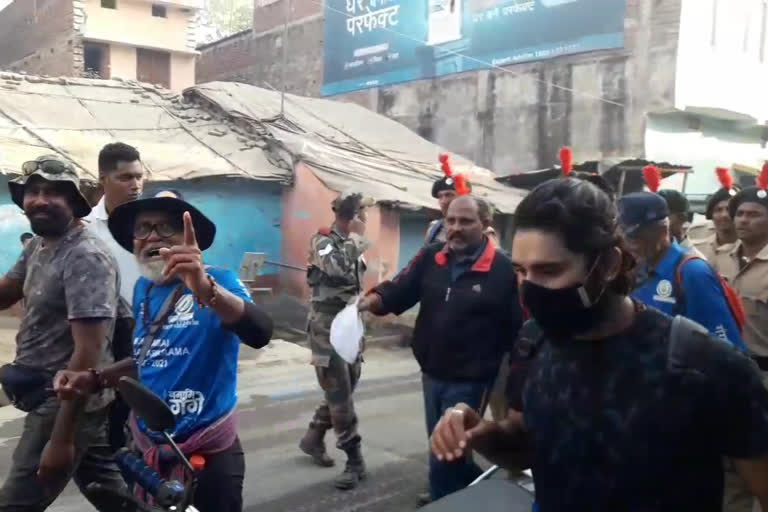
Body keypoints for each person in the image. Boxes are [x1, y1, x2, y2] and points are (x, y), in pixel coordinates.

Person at [430, 177, 768, 512]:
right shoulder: (534, 342)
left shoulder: (704, 364)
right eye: (521, 271)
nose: (529, 288)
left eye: (549, 270)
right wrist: (481, 432)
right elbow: (528, 444)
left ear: (607, 265)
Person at [53, 190, 273, 512]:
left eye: (165, 227)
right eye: (143, 228)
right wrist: (97, 378)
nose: (152, 236)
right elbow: (150, 359)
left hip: (208, 456)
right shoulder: (144, 290)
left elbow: (260, 332)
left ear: (188, 238)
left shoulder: (219, 281)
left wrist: (205, 289)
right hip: (149, 454)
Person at [358, 195, 523, 501]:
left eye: (465, 221)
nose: (455, 228)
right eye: (450, 221)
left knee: (446, 451)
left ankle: (443, 498)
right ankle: (473, 491)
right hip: (431, 371)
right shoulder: (431, 256)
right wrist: (372, 301)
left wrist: (519, 382)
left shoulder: (505, 270)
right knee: (445, 446)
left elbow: (519, 330)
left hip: (472, 379)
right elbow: (400, 288)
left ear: (485, 225)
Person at [0, 155, 127, 511]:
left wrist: (61, 438)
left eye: (53, 192)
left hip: (64, 403)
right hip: (56, 396)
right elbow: (7, 291)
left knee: (15, 504)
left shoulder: (84, 255)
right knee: (108, 490)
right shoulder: (38, 246)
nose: (39, 199)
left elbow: (87, 355)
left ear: (73, 203)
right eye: (32, 191)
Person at [298, 191, 373, 490]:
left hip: (350, 326)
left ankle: (313, 437)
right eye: (364, 213)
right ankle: (355, 461)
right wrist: (356, 238)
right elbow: (337, 268)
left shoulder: (350, 244)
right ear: (353, 216)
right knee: (340, 397)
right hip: (326, 331)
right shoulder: (323, 241)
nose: (367, 219)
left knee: (345, 387)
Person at [619, 191, 744, 350]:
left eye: (634, 237)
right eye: (623, 237)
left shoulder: (692, 273)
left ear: (663, 230)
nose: (629, 245)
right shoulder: (636, 269)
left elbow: (727, 347)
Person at [84, 142, 144, 304]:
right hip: (103, 324)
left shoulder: (156, 226)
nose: (136, 186)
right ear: (103, 179)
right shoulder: (84, 227)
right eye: (126, 178)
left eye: (139, 177)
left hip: (149, 324)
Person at [426, 154, 499, 246]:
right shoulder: (434, 229)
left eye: (449, 195)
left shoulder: (483, 232)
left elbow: (492, 258)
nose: (443, 201)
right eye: (440, 196)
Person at [693, 168, 740, 264]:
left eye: (729, 209)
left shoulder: (749, 250)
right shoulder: (696, 248)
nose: (724, 215)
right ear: (711, 215)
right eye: (718, 210)